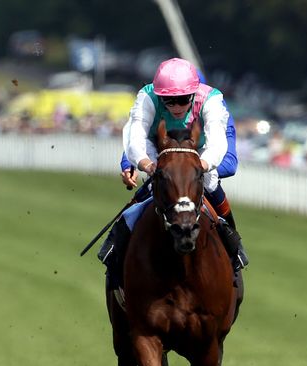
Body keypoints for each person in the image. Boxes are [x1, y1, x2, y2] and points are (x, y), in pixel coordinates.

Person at [98, 58, 248, 289]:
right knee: (155, 185)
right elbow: (135, 138)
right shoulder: (147, 97)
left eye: (183, 100)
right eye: (169, 101)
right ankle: (115, 248)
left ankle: (233, 245)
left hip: (203, 150)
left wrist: (196, 168)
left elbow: (219, 147)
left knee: (209, 182)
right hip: (162, 149)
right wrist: (146, 166)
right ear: (160, 96)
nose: (176, 107)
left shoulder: (212, 100)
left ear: (194, 94)